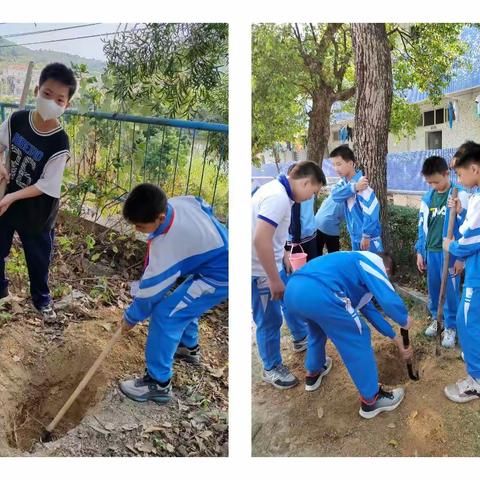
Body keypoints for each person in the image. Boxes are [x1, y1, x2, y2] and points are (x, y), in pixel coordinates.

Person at [118, 184, 228, 404]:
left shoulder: (169, 243)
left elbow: (151, 293)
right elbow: (203, 204)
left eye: (140, 226)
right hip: (214, 258)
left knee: (166, 316)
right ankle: (188, 347)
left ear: (159, 217)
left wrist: (131, 317)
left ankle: (158, 384)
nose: (137, 230)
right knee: (183, 304)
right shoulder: (179, 203)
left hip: (221, 274)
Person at [284, 250, 413, 419]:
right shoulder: (370, 261)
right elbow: (387, 298)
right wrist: (403, 318)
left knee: (317, 329)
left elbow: (370, 311)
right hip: (321, 291)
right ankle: (371, 400)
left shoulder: (348, 267)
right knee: (358, 334)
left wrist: (396, 338)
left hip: (294, 291)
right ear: (386, 270)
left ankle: (314, 372)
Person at [0, 63, 77, 321]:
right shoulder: (17, 120)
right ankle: (1, 290)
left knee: (38, 258)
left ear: (66, 105)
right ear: (37, 90)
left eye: (59, 99)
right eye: (47, 94)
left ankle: (42, 300)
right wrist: (1, 165)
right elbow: (0, 144)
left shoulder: (59, 142)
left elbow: (47, 185)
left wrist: (12, 196)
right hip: (7, 200)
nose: (52, 102)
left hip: (38, 210)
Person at [252, 161, 326, 389]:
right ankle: (271, 367)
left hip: (272, 265)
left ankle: (300, 338)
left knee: (290, 299)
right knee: (269, 319)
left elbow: (270, 234)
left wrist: (283, 253)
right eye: (313, 192)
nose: (310, 197)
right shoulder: (278, 198)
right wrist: (273, 279)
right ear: (304, 182)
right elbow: (260, 239)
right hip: (259, 271)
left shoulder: (278, 192)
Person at [415, 156, 468, 348]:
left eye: (436, 181)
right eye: (429, 182)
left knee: (451, 292)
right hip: (431, 252)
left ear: (447, 174)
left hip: (450, 254)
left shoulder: (458, 195)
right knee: (435, 288)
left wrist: (460, 257)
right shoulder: (427, 198)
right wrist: (420, 251)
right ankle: (438, 320)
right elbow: (422, 226)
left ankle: (451, 327)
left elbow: (465, 229)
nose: (433, 185)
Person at [443, 146, 480, 402]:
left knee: (467, 323)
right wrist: (461, 210)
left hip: (477, 276)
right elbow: (473, 226)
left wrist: (451, 247)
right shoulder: (475, 196)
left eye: (459, 173)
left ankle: (476, 381)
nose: (459, 180)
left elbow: (469, 241)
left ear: (474, 168)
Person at [330, 145, 383, 252]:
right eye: (333, 165)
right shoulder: (344, 183)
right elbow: (335, 196)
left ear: (350, 163)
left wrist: (366, 235)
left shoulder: (363, 184)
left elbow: (372, 210)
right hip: (355, 238)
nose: (336, 169)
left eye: (339, 164)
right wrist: (354, 187)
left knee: (373, 267)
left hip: (369, 239)